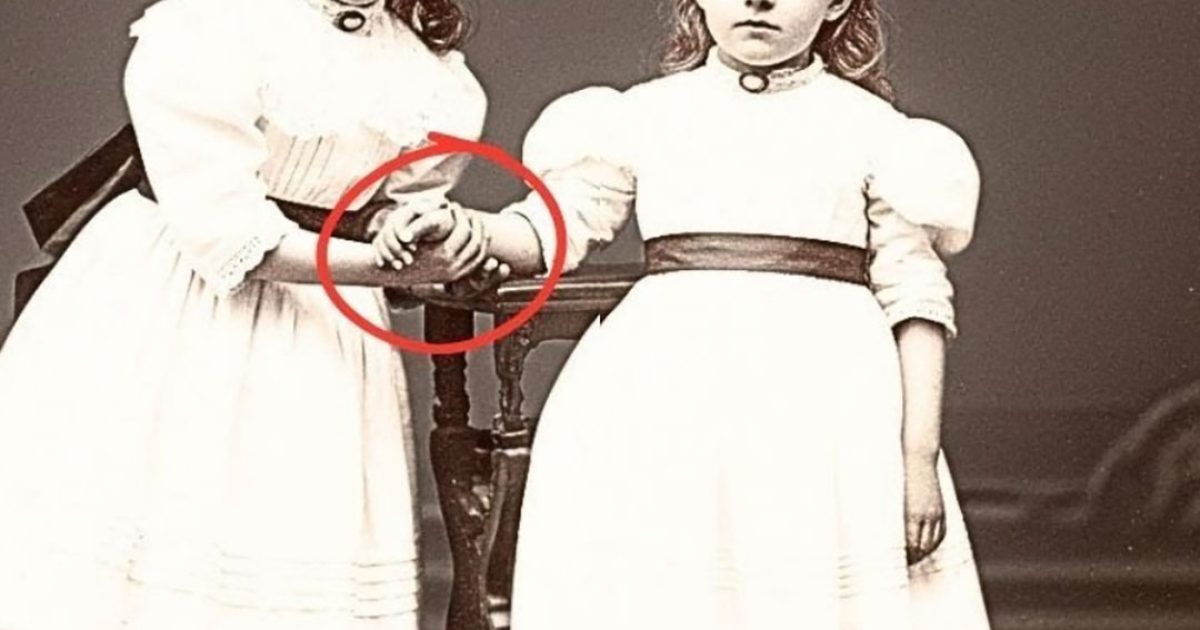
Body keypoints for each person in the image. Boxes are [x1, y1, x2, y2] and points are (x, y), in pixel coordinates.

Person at [377, 0, 992, 628]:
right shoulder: (645, 116)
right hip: (669, 399)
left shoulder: (878, 134)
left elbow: (916, 298)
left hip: (822, 412)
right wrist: (465, 227)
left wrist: (917, 459)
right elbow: (548, 230)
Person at [0, 0, 499, 627]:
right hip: (181, 302)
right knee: (152, 534)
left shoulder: (424, 66)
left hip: (321, 335)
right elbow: (227, 232)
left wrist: (406, 228)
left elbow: (387, 198)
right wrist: (387, 268)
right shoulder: (213, 23)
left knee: (291, 536)